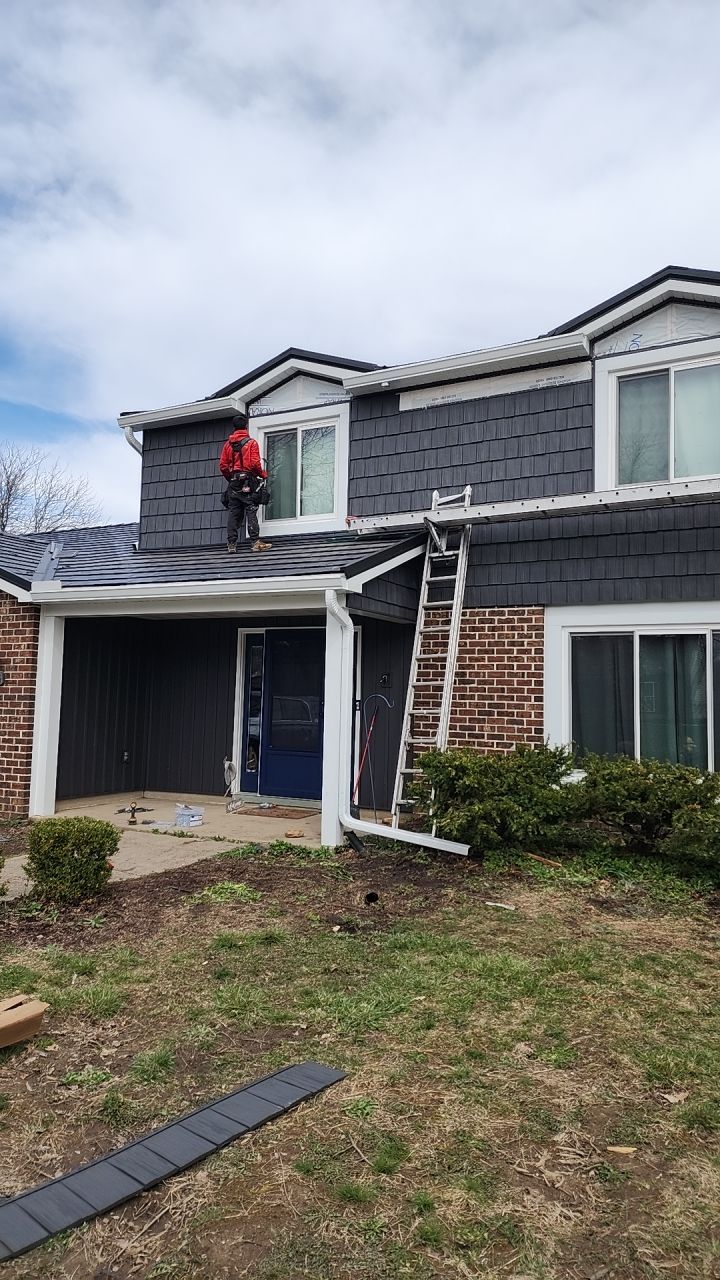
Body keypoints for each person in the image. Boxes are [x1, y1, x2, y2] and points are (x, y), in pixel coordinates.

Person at [219, 415, 272, 552]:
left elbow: (223, 466)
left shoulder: (227, 445)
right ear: (246, 427)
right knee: (251, 508)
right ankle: (255, 542)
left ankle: (231, 544)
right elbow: (254, 463)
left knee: (234, 511)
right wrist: (262, 474)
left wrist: (231, 478)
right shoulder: (251, 443)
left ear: (234, 428)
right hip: (248, 480)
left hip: (234, 482)